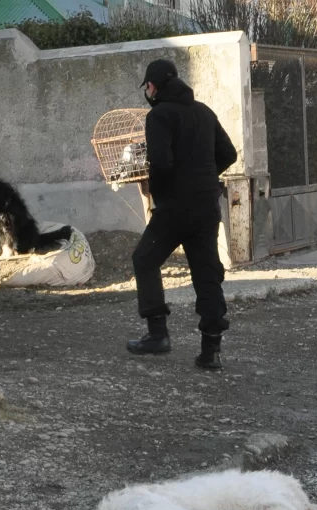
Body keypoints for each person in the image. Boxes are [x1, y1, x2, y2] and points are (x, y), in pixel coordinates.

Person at [126, 59, 238, 370]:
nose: (147, 91)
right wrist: (203, 176)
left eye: (147, 86)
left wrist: (160, 196)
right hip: (206, 206)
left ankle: (158, 334)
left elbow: (160, 163)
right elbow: (229, 153)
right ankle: (210, 351)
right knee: (206, 273)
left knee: (144, 259)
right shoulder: (204, 112)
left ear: (153, 85)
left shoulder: (159, 115)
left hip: (175, 207)